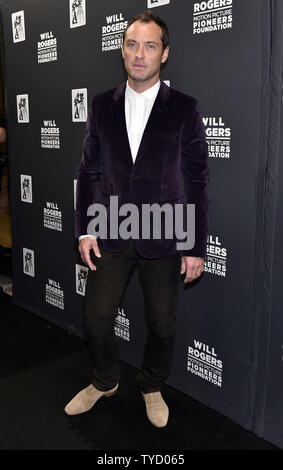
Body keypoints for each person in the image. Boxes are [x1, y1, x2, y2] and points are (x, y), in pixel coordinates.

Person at [65, 10, 209, 428]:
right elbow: (88, 172)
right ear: (122, 50)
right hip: (110, 228)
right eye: (132, 44)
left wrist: (196, 245)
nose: (140, 54)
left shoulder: (184, 108)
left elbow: (197, 181)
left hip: (163, 232)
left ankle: (150, 385)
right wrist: (85, 229)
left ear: (164, 54)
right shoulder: (100, 105)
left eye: (150, 45)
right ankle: (106, 379)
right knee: (94, 320)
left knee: (162, 325)